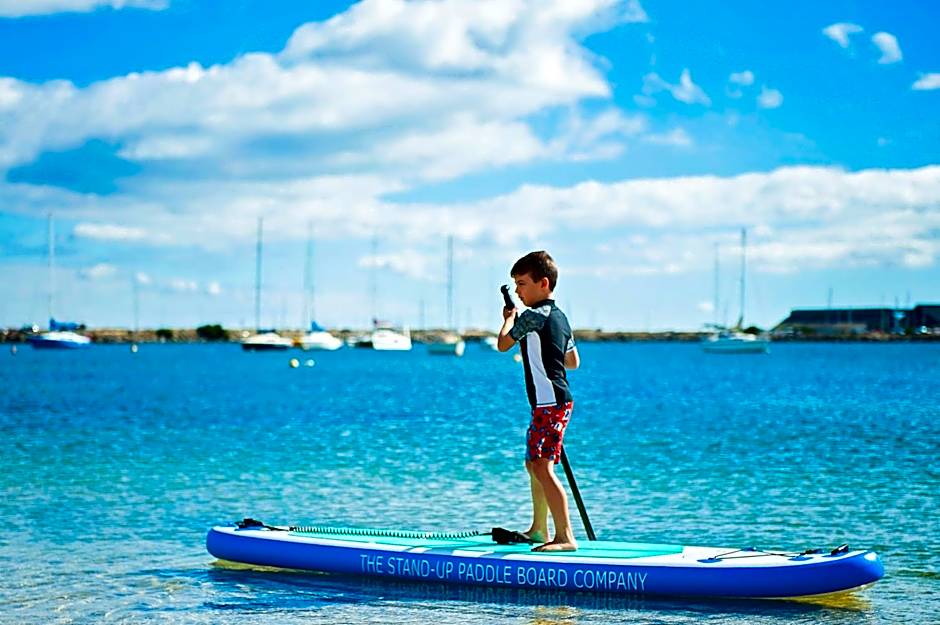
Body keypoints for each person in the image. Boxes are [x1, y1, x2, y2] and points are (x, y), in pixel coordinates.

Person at [497, 250, 580, 552]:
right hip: (551, 402)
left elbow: (503, 344)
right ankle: (538, 529)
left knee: (542, 467)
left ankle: (565, 537)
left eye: (522, 284)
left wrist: (509, 320)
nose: (518, 291)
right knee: (533, 464)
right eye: (516, 285)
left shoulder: (534, 316)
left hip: (551, 403)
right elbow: (573, 362)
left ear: (542, 284)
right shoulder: (560, 317)